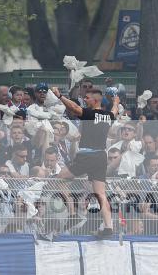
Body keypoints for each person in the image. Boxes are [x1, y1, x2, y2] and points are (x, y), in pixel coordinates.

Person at [51, 86, 119, 237]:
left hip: (87, 155)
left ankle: (73, 213)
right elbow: (115, 111)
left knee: (60, 178)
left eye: (87, 98)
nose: (85, 100)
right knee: (101, 193)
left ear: (95, 100)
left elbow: (74, 107)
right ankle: (109, 227)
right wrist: (115, 101)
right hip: (102, 156)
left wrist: (59, 96)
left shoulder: (89, 113)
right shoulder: (108, 116)